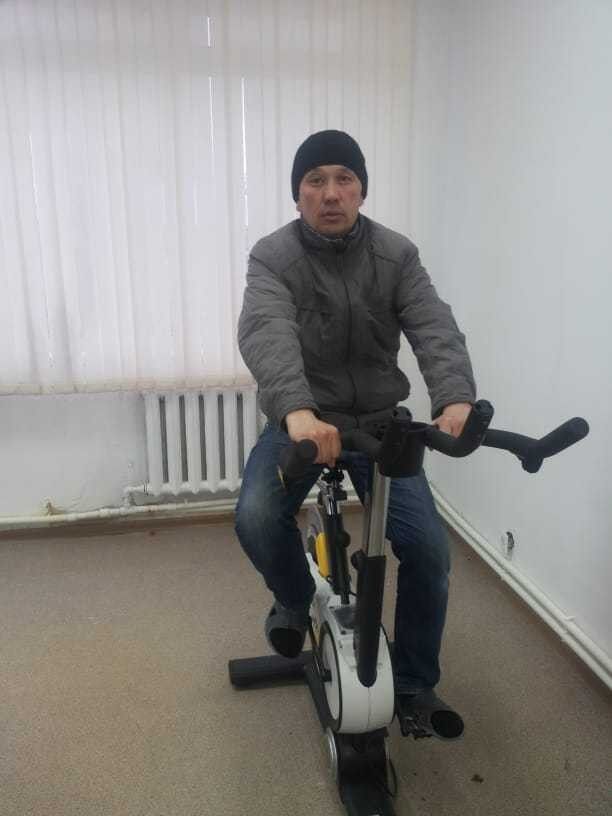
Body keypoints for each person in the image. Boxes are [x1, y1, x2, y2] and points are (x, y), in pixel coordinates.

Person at [234, 130, 476, 738]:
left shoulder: (397, 255)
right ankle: (294, 599)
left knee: (428, 551)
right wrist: (297, 412)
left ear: (361, 190)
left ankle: (415, 684)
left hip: (380, 424)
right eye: (315, 181)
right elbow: (266, 330)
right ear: (297, 195)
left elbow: (433, 325)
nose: (331, 193)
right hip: (305, 420)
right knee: (257, 516)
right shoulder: (272, 257)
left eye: (344, 179)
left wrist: (454, 397)